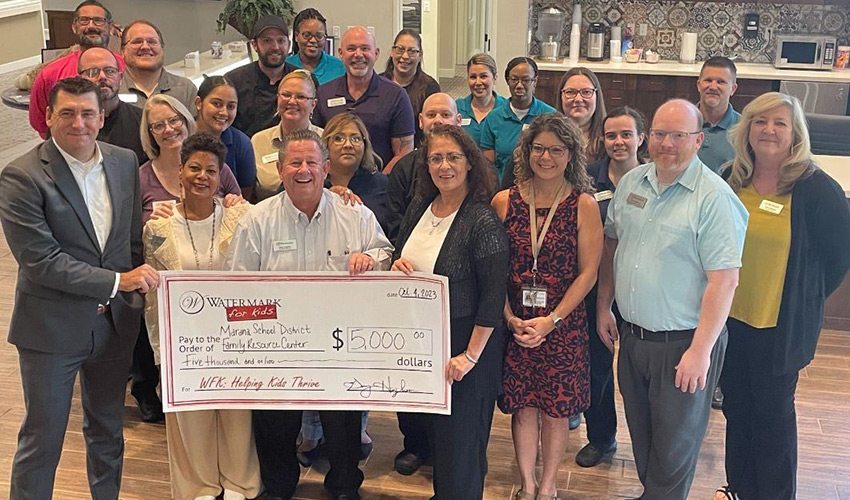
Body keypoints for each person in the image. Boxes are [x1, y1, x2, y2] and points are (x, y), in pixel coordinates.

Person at [0, 76, 158, 500]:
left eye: (88, 113)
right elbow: (40, 262)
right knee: (43, 440)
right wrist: (117, 281)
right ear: (48, 117)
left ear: (101, 116)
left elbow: (129, 239)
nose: (79, 123)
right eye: (67, 113)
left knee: (107, 432)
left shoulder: (124, 161)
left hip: (113, 326)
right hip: (51, 330)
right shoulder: (20, 177)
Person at [225, 128, 393, 500]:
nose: (304, 170)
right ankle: (280, 484)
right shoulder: (256, 220)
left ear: (327, 167)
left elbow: (384, 254)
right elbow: (237, 285)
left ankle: (346, 484)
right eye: (295, 163)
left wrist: (372, 261)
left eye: (311, 163)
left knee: (343, 421)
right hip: (277, 344)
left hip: (339, 343)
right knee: (275, 423)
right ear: (281, 170)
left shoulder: (355, 214)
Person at [597, 99, 748, 500]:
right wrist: (603, 306)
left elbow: (725, 281)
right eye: (660, 134)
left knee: (674, 451)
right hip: (632, 340)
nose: (667, 143)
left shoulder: (714, 198)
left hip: (684, 344)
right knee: (644, 441)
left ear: (698, 141)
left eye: (678, 136)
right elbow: (612, 244)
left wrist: (701, 351)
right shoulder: (632, 183)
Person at [714, 92, 850, 500]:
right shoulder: (729, 177)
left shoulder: (816, 188)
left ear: (796, 134)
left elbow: (838, 255)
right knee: (737, 411)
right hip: (729, 321)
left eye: (780, 123)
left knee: (772, 416)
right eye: (760, 121)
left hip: (780, 326)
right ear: (747, 129)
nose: (769, 130)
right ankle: (738, 488)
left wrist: (807, 297)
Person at [392, 124, 508, 499]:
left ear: (470, 163)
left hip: (466, 350)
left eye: (453, 157)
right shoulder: (420, 209)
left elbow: (493, 296)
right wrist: (397, 266)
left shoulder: (482, 219)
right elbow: (401, 257)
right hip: (427, 347)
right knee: (441, 449)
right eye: (436, 158)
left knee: (461, 452)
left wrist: (470, 356)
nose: (444, 166)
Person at [143, 133, 261, 500]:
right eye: (194, 167)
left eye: (211, 170)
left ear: (221, 174)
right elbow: (152, 295)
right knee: (191, 415)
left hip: (236, 336)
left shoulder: (242, 216)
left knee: (237, 413)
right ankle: (200, 485)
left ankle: (239, 482)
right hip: (185, 339)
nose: (202, 176)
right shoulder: (157, 228)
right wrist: (161, 348)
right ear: (180, 171)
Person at [492, 114, 602, 499]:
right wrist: (509, 317)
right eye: (539, 148)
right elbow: (494, 270)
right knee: (523, 408)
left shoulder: (583, 205)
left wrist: (551, 321)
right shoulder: (504, 202)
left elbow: (588, 273)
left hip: (562, 324)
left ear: (571, 154)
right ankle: (526, 485)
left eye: (557, 149)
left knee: (556, 412)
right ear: (526, 151)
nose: (546, 157)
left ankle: (549, 487)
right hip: (517, 323)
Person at [576, 106, 647, 468]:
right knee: (596, 367)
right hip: (596, 289)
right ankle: (601, 437)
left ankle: (651, 447)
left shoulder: (656, 179)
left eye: (626, 134)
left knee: (640, 372)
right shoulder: (587, 179)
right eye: (611, 135)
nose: (618, 142)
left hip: (643, 290)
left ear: (641, 138)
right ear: (601, 140)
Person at [313, 26, 415, 173]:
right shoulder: (324, 93)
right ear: (340, 54)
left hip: (381, 186)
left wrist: (379, 183)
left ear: (376, 53)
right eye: (351, 48)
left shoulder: (396, 96)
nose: (358, 54)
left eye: (365, 48)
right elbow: (317, 147)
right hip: (332, 185)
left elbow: (404, 152)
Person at [140, 94, 242, 224]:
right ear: (150, 134)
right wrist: (152, 226)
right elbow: (132, 233)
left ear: (186, 120)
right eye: (159, 126)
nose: (169, 129)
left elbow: (242, 215)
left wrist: (236, 202)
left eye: (173, 120)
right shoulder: (141, 179)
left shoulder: (217, 168)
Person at [29, 0, 124, 138]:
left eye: (98, 20)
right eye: (84, 20)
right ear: (74, 27)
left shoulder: (127, 68)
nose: (91, 26)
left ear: (110, 28)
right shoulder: (49, 74)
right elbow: (41, 124)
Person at [252, 69, 324, 201]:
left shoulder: (326, 140)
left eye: (301, 97)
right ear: (278, 98)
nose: (292, 101)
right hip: (268, 218)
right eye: (286, 95)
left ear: (313, 104)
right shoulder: (258, 141)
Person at [480, 57, 556, 180]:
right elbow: (488, 166)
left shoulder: (550, 115)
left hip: (542, 187)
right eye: (514, 79)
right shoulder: (494, 118)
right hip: (503, 187)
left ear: (535, 82)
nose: (519, 85)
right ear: (507, 81)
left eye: (526, 80)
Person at [226, 15, 298, 138]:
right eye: (267, 41)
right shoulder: (233, 81)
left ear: (289, 44)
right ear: (254, 44)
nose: (275, 47)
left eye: (281, 41)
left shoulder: (301, 80)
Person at [78, 46, 146, 164]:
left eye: (110, 71)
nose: (102, 77)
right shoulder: (68, 123)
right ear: (79, 79)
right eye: (93, 72)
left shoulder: (142, 120)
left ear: (120, 78)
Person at [194, 76, 257, 201]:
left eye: (231, 106)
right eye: (217, 104)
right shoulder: (180, 137)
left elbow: (245, 195)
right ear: (198, 103)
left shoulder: (242, 144)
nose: (224, 112)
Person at [324, 112, 388, 229]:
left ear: (365, 145)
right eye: (339, 138)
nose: (348, 145)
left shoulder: (383, 184)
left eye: (355, 138)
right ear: (326, 144)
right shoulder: (312, 182)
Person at [119, 19, 198, 112]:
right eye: (137, 42)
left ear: (162, 48)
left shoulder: (186, 89)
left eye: (152, 41)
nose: (145, 47)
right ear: (123, 51)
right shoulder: (113, 89)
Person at [382, 29, 441, 148]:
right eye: (400, 49)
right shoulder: (379, 84)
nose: (405, 56)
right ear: (392, 52)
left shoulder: (430, 87)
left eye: (412, 51)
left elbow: (433, 128)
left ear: (420, 56)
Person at [697, 56, 740, 174]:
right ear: (698, 85)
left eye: (721, 82)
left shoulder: (744, 128)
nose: (713, 87)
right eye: (708, 80)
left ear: (733, 89)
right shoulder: (681, 121)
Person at [456, 53, 507, 147]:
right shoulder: (456, 107)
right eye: (473, 77)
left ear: (495, 78)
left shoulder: (507, 109)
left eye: (483, 76)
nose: (478, 82)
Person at [558, 67, 607, 162]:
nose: (578, 99)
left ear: (597, 96)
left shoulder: (609, 138)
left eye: (586, 92)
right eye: (570, 92)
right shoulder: (549, 136)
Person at [286, 8, 345, 85]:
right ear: (296, 36)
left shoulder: (340, 68)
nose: (313, 40)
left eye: (319, 36)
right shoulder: (285, 66)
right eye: (307, 35)